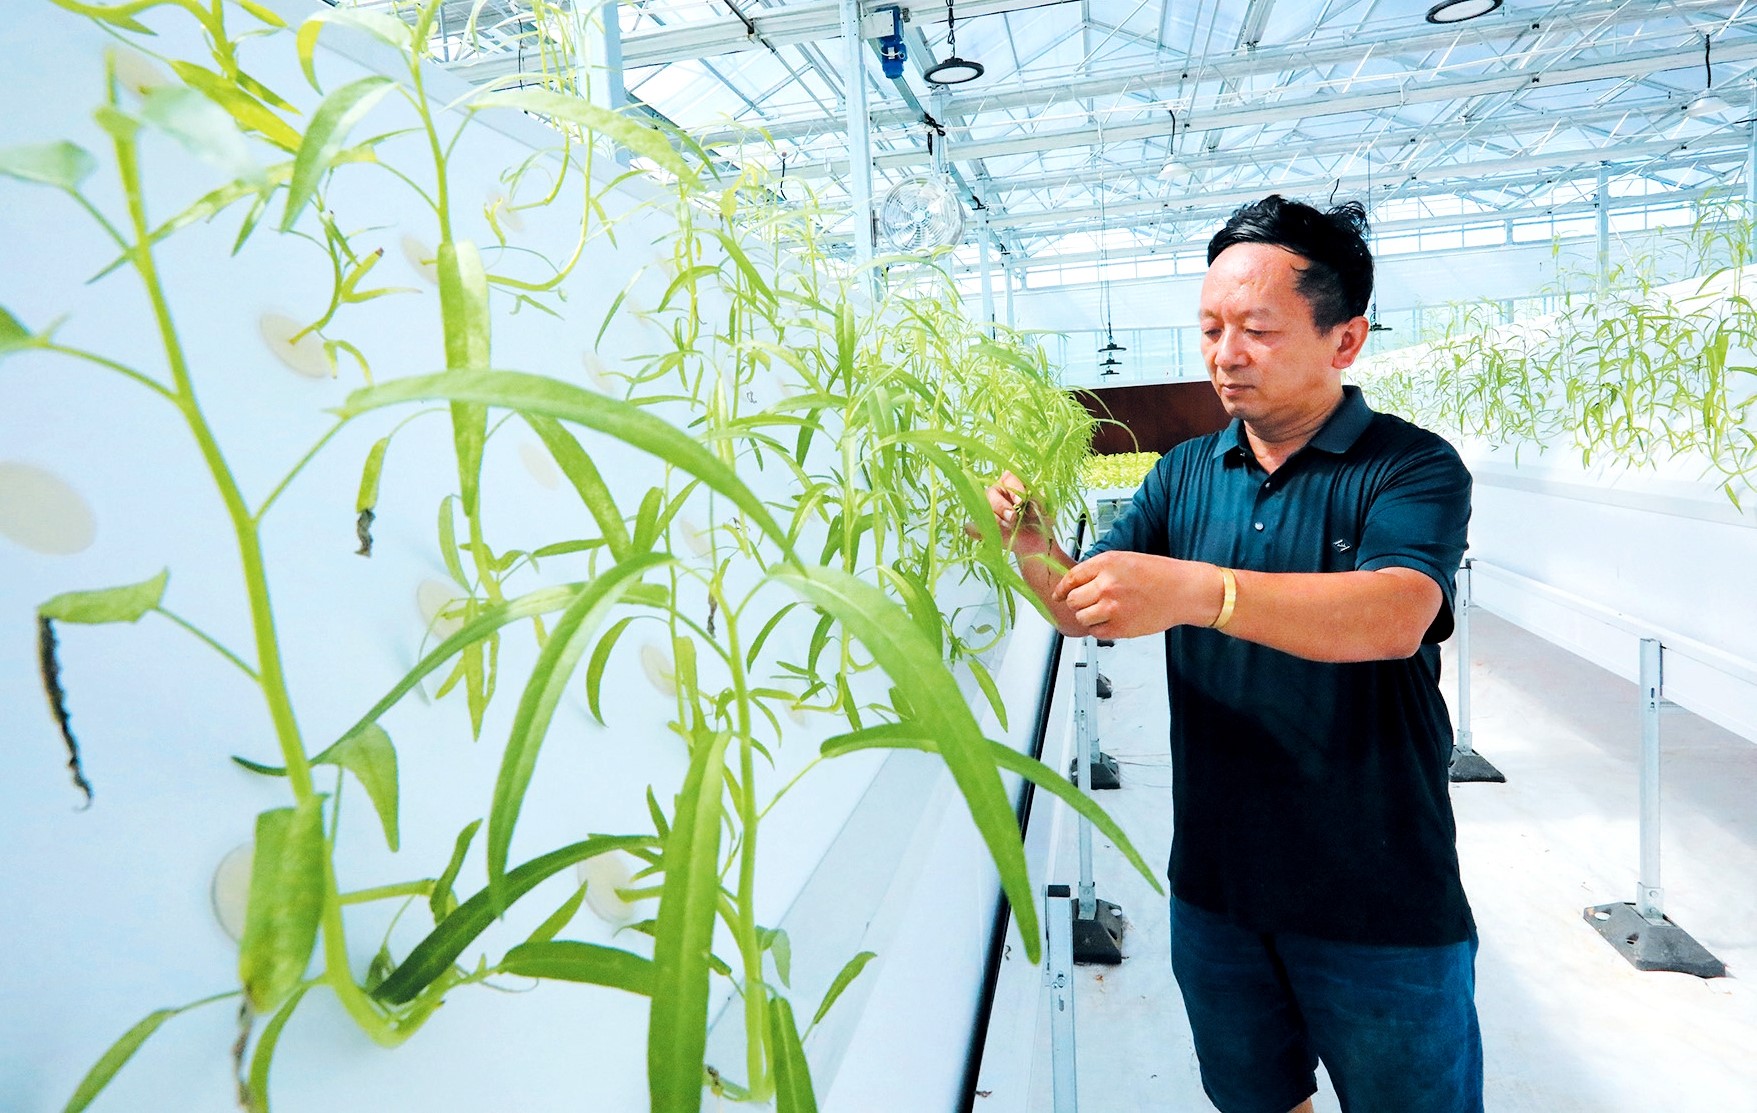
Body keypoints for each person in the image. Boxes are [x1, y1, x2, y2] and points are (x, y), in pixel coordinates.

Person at [987, 195, 1481, 1113]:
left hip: (1379, 896)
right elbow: (1080, 608)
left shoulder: (1409, 466)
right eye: (1211, 328)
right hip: (1217, 890)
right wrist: (1027, 540)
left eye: (1256, 329)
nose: (1224, 354)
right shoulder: (1184, 470)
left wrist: (1200, 592)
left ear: (1344, 340)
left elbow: (1396, 612)